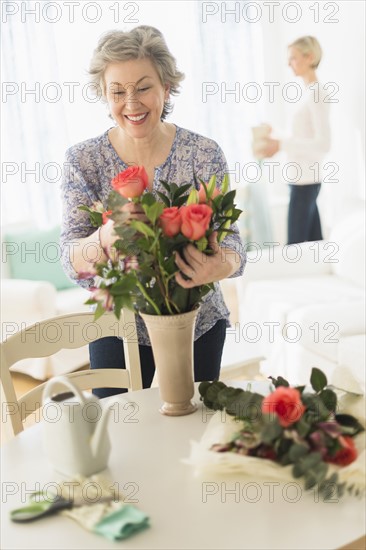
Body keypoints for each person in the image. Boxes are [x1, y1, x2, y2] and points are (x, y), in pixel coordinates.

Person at [60, 25, 245, 398]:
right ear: (104, 94)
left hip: (198, 317)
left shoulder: (203, 153)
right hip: (120, 323)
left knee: (194, 422)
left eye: (143, 87)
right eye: (117, 91)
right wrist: (106, 236)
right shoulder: (83, 161)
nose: (132, 103)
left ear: (167, 86)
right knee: (119, 425)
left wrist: (218, 266)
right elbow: (70, 260)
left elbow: (234, 245)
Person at [261, 36, 331, 245]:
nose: (288, 63)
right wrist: (277, 135)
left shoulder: (317, 93)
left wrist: (281, 144)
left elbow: (324, 144)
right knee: (314, 246)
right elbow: (301, 137)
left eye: (293, 58)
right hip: (301, 181)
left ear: (309, 57)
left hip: (305, 182)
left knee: (295, 249)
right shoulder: (308, 92)